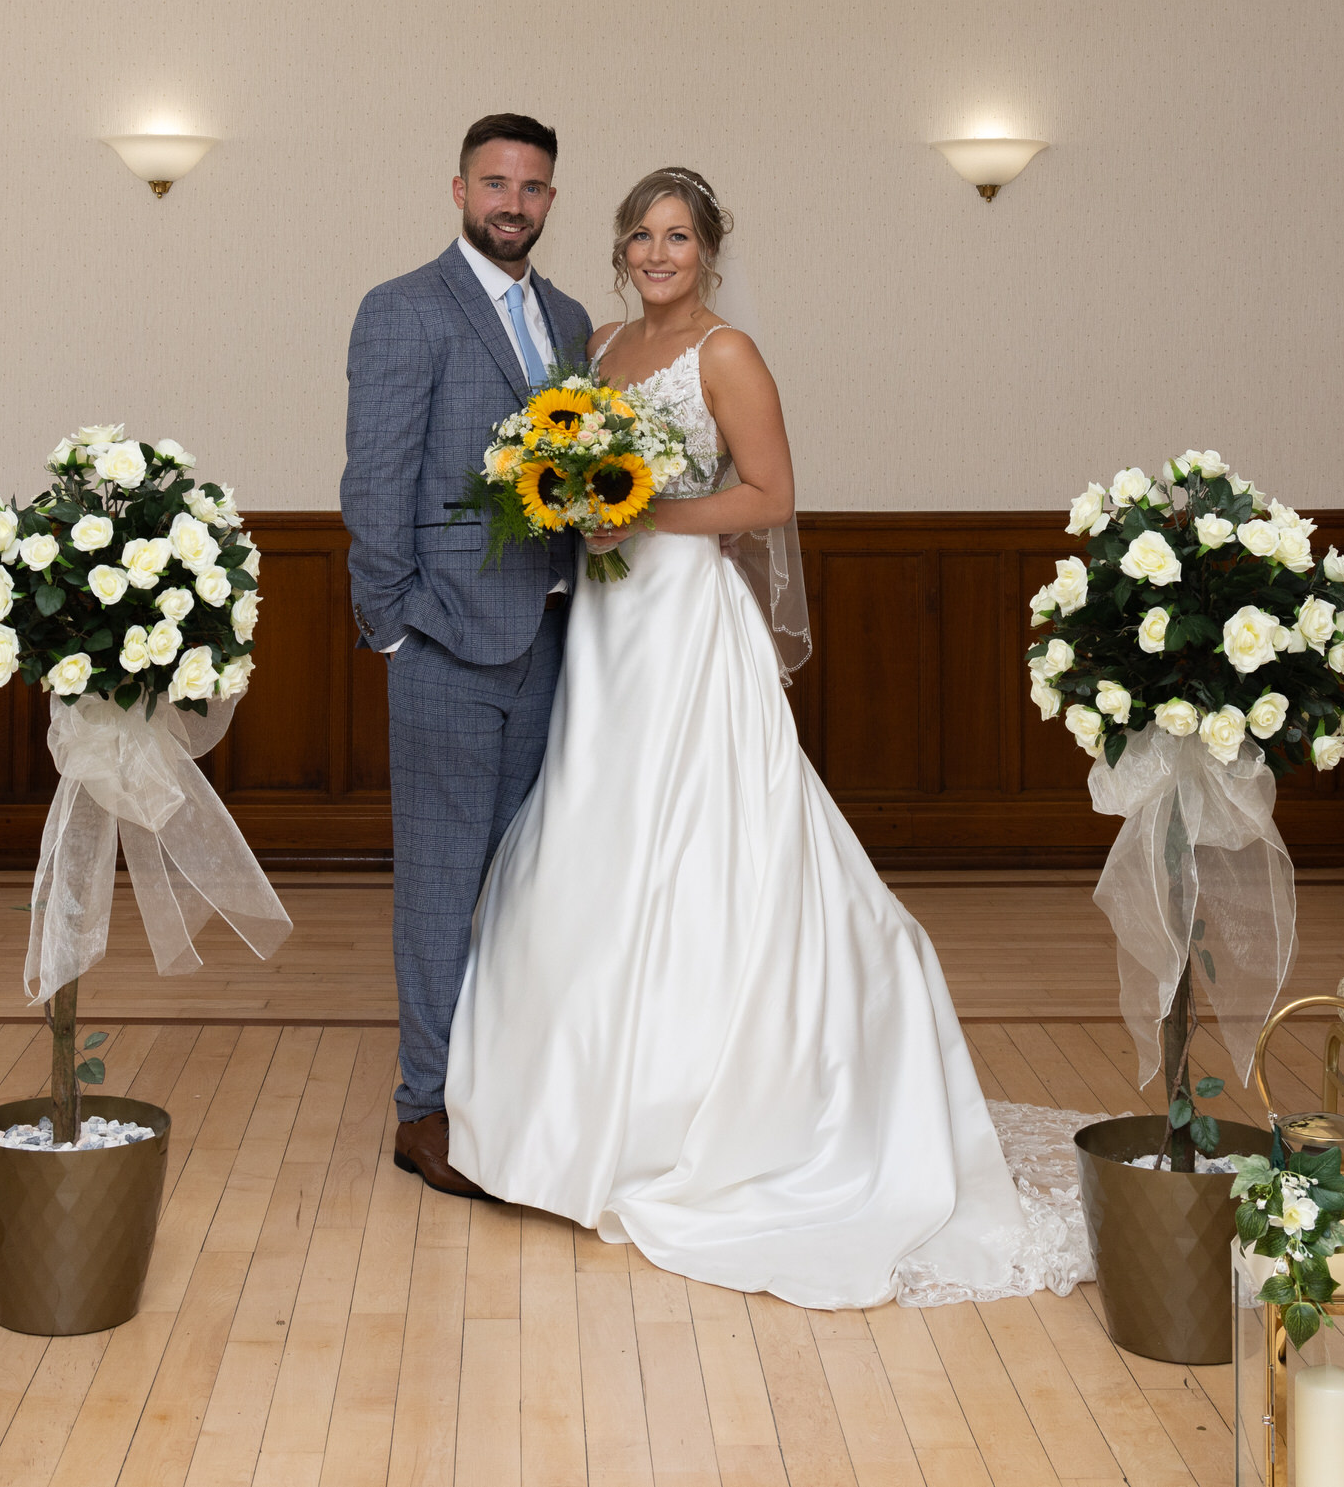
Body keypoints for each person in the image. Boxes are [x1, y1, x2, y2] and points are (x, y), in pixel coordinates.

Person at [443, 167, 1067, 1308]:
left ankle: (718, 1106)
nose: (655, 252)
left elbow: (772, 495)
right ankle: (564, 1113)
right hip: (606, 625)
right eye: (639, 234)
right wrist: (569, 498)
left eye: (676, 236)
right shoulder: (604, 347)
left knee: (698, 833)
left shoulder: (726, 354)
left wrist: (639, 510)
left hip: (683, 618)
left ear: (710, 251)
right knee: (593, 820)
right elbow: (570, 466)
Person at [341, 112, 593, 1202]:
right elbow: (374, 479)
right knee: (442, 886)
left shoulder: (572, 317)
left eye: (532, 188)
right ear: (457, 189)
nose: (513, 204)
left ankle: (502, 1083)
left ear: (550, 200)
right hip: (447, 638)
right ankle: (423, 1109)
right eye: (496, 183)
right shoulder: (403, 310)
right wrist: (391, 624)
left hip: (554, 635)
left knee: (525, 879)